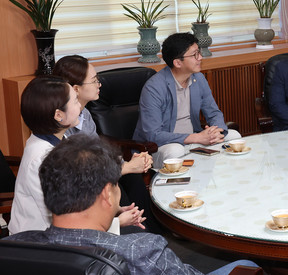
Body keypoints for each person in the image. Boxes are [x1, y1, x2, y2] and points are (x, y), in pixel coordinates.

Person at [5, 134, 265, 275]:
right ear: (107, 194)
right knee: (246, 270)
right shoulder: (142, 252)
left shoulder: (11, 251)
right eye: (116, 185)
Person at [8, 77, 144, 235]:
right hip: (40, 240)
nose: (80, 105)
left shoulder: (61, 139)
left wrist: (113, 209)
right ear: (58, 115)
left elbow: (79, 194)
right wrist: (117, 222)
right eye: (74, 101)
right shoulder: (41, 159)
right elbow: (62, 219)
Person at [53, 55, 159, 232]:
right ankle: (132, 230)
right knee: (116, 183)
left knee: (132, 178)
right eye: (94, 80)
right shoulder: (61, 126)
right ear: (76, 89)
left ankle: (148, 229)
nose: (99, 84)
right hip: (80, 190)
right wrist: (127, 167)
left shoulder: (85, 115)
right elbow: (84, 171)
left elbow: (98, 154)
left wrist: (130, 163)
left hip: (96, 176)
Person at [133, 33, 240, 169]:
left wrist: (216, 132)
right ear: (178, 63)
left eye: (199, 52)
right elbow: (153, 135)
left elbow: (214, 113)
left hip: (194, 141)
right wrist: (196, 138)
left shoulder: (198, 79)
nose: (200, 57)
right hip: (160, 147)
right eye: (195, 55)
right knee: (176, 151)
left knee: (234, 137)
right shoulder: (154, 88)